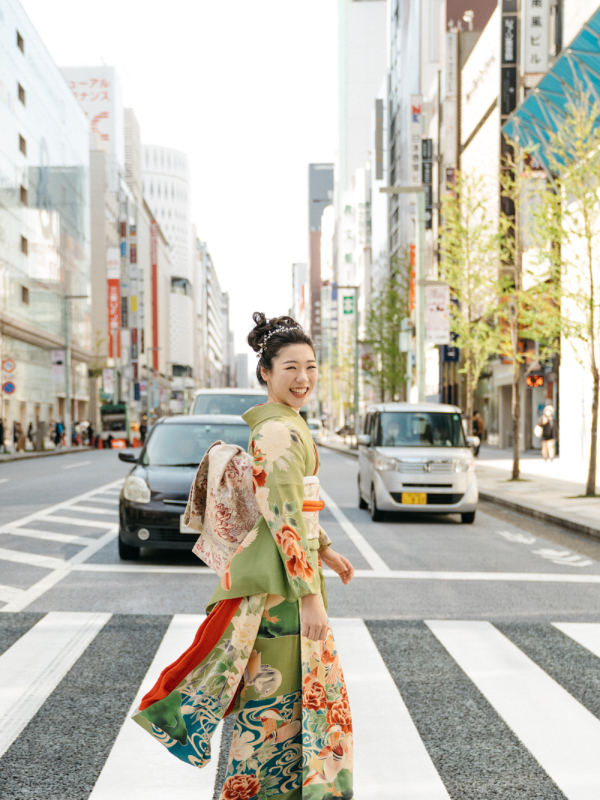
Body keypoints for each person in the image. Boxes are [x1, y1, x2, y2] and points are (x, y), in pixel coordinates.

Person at [133, 313, 355, 799]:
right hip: (283, 593)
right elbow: (284, 514)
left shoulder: (287, 425)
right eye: (290, 368)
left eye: (311, 367)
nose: (303, 379)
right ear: (266, 374)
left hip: (284, 582)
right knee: (275, 712)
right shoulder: (277, 432)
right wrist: (311, 593)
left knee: (289, 706)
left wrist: (328, 552)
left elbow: (297, 510)